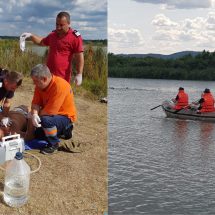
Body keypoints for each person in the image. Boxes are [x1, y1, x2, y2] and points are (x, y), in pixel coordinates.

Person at [20, 11, 84, 85]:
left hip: (63, 77)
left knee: (60, 95)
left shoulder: (75, 37)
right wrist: (30, 36)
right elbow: (41, 42)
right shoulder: (52, 35)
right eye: (56, 24)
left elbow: (79, 56)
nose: (58, 27)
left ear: (68, 24)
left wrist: (79, 74)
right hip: (48, 75)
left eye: (61, 25)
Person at [29, 64, 77, 155]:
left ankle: (54, 144)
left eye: (35, 81)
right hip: (51, 116)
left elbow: (50, 112)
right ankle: (62, 133)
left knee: (45, 120)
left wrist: (36, 116)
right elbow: (35, 103)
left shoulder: (60, 86)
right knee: (38, 134)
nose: (34, 84)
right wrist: (34, 114)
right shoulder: (39, 86)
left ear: (44, 79)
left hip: (65, 117)